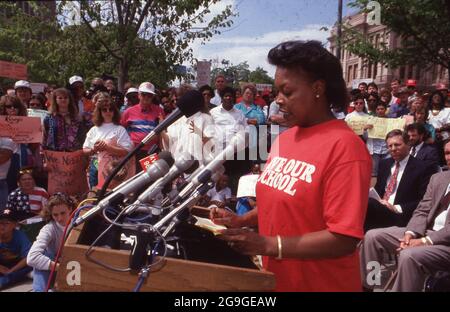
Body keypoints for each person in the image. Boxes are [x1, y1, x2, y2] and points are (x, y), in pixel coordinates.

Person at [210, 40, 372, 291]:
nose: (280, 100)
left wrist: (268, 245)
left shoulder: (346, 147)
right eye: (277, 92)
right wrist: (240, 221)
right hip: (277, 281)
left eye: (288, 91)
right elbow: (280, 203)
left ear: (318, 88)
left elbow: (343, 238)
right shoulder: (284, 139)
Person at [361, 139, 450, 292]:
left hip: (444, 243)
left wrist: (424, 241)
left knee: (409, 256)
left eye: (397, 145)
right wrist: (410, 234)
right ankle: (370, 283)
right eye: (447, 153)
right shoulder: (439, 179)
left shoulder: (422, 168)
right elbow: (422, 210)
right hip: (424, 231)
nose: (449, 157)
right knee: (372, 237)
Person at [364, 130, 437, 231]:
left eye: (397, 145)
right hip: (380, 208)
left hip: (400, 215)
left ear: (408, 145)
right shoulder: (384, 164)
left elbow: (424, 201)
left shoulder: (423, 168)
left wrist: (396, 208)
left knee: (369, 205)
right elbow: (379, 190)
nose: (393, 149)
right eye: (390, 146)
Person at [27, 193, 76, 292]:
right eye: (55, 215)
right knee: (45, 254)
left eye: (63, 213)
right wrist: (60, 267)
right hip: (56, 267)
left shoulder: (80, 223)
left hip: (76, 266)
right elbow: (31, 258)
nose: (60, 218)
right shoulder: (48, 229)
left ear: (70, 209)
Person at [121, 82, 165, 171]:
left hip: (153, 151)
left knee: (151, 177)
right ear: (139, 95)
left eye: (149, 95)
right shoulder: (129, 112)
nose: (146, 97)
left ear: (153, 97)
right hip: (135, 152)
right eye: (144, 94)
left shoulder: (159, 111)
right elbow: (121, 130)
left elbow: (163, 131)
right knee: (137, 179)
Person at [0, 209, 32, 289]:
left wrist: (11, 270)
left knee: (30, 265)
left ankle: (3, 281)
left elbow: (28, 257)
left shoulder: (20, 236)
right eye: (0, 223)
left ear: (15, 225)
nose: (2, 226)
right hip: (2, 264)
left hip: (16, 265)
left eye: (6, 223)